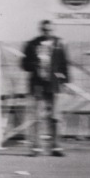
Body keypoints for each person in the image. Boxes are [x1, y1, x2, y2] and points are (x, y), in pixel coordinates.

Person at [21, 20, 69, 157]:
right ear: (40, 30)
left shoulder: (59, 43)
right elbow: (24, 65)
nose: (47, 32)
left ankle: (56, 147)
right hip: (38, 85)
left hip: (54, 85)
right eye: (44, 30)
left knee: (55, 117)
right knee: (37, 117)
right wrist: (35, 64)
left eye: (49, 30)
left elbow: (63, 65)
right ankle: (36, 147)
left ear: (53, 30)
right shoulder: (31, 44)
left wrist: (64, 82)